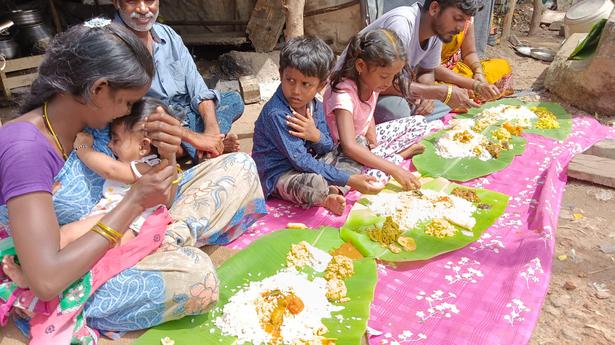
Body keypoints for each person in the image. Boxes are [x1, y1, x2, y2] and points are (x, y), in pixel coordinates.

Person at [0, 19, 266, 340]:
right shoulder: (25, 150)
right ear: (98, 89)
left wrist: (166, 155)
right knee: (197, 277)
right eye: (126, 102)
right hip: (73, 269)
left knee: (238, 166)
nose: (127, 112)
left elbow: (159, 199)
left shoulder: (93, 120)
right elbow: (45, 280)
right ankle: (159, 248)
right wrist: (134, 201)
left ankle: (162, 241)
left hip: (129, 225)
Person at [252, 36, 383, 216]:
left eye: (306, 84)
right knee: (312, 183)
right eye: (290, 80)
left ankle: (335, 191)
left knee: (357, 143)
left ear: (321, 85)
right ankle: (326, 194)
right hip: (281, 174)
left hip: (313, 161)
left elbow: (328, 144)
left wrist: (315, 136)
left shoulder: (316, 105)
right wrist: (350, 180)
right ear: (281, 73)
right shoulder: (277, 114)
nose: (296, 91)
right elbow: (300, 161)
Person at [112, 0, 244, 161]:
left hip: (184, 112)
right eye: (131, 1)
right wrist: (191, 136)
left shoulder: (168, 35)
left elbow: (198, 88)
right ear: (116, 2)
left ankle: (207, 145)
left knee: (234, 100)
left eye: (149, 0)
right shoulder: (111, 45)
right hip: (149, 122)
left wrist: (212, 130)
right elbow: (128, 112)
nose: (142, 8)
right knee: (136, 139)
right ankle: (204, 148)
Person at [340, 0, 484, 123]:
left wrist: (426, 97)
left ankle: (414, 118)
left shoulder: (436, 33)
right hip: (359, 89)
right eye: (457, 18)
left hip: (396, 88)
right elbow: (384, 81)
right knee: (398, 111)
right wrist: (435, 92)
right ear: (434, 8)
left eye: (464, 21)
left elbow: (427, 71)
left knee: (447, 101)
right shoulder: (402, 25)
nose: (460, 28)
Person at [324, 29, 428, 191]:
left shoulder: (373, 83)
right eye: (384, 76)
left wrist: (371, 132)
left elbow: (367, 112)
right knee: (374, 179)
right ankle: (397, 158)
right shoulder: (343, 94)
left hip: (364, 142)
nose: (389, 83)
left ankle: (385, 158)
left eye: (394, 76)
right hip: (342, 151)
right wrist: (394, 170)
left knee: (420, 123)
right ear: (360, 66)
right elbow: (349, 146)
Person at [436, 19, 513, 101]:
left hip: (454, 69)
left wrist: (478, 72)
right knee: (443, 91)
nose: (461, 26)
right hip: (431, 74)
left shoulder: (466, 18)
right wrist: (474, 85)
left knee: (501, 66)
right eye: (459, 17)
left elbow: (469, 53)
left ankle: (470, 94)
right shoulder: (435, 21)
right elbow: (432, 67)